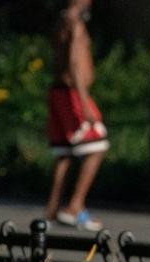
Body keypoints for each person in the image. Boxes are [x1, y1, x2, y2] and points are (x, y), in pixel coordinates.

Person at [45, 0, 108, 232]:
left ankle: (52, 209)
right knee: (97, 146)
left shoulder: (61, 22)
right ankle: (75, 206)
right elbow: (73, 62)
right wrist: (84, 103)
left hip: (59, 92)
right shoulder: (75, 24)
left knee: (64, 153)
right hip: (73, 93)